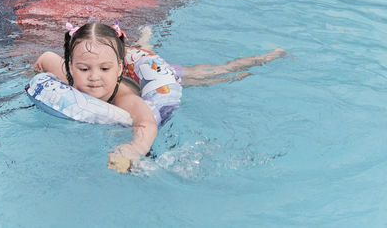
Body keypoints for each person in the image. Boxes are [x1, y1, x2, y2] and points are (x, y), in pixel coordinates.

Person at [34, 22, 285, 173]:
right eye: (84, 69)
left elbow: (147, 123)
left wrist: (134, 148)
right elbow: (46, 58)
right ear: (70, 67)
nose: (93, 78)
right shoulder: (68, 75)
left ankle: (262, 59)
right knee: (143, 52)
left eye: (104, 69)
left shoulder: (126, 99)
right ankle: (145, 40)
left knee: (213, 74)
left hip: (158, 77)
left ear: (119, 69)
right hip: (133, 66)